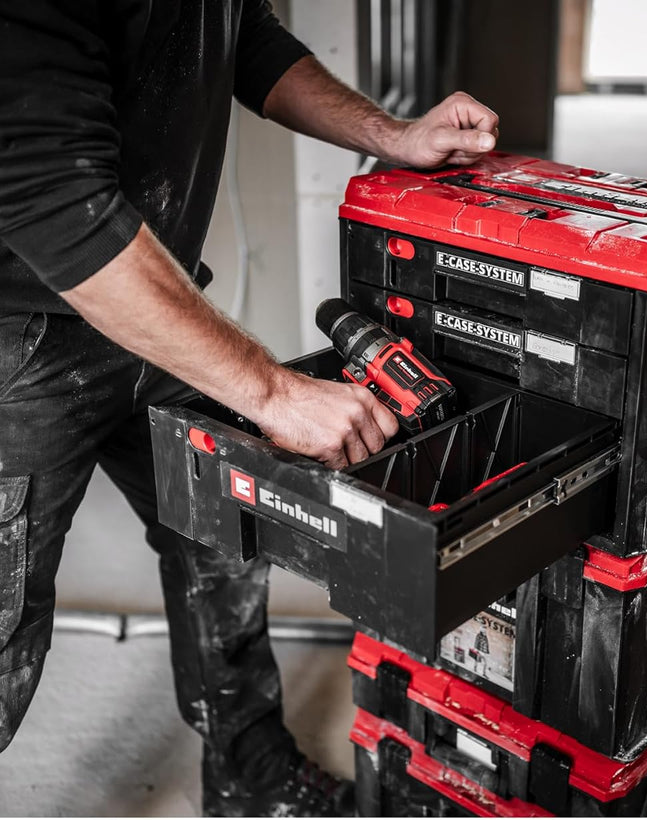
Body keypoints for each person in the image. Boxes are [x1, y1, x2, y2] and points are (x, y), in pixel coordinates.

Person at [0, 2, 499, 816]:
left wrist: (392, 135)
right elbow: (47, 194)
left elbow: (245, 38)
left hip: (158, 317)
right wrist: (271, 391)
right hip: (19, 336)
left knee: (225, 539)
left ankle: (249, 777)